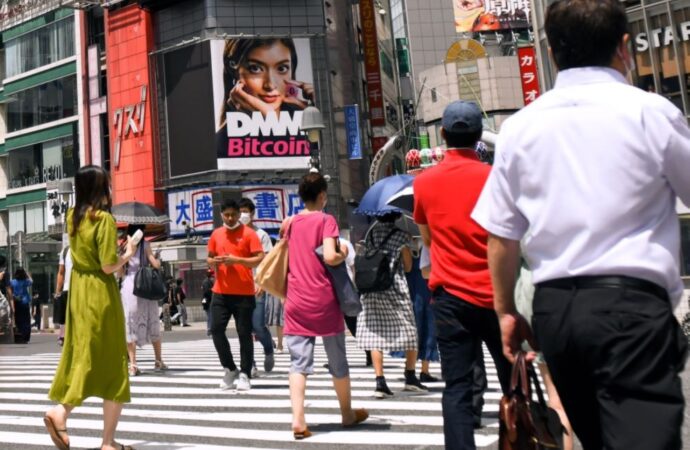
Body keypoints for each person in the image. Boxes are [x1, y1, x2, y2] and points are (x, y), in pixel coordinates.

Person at [471, 1, 690, 448]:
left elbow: (501, 234)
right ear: (625, 47)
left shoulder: (521, 127)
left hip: (558, 312)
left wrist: (506, 311)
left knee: (595, 436)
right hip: (631, 306)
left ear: (551, 52)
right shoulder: (651, 112)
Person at [413, 100, 512, 449]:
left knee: (457, 387)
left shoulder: (424, 183)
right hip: (499, 296)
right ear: (478, 137)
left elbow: (427, 239)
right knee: (514, 380)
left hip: (451, 298)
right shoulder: (496, 178)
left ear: (442, 134)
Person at [45, 164, 139, 450]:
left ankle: (65, 413)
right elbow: (108, 265)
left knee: (85, 355)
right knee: (113, 363)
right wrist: (129, 253)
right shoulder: (104, 220)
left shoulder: (74, 216)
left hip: (79, 291)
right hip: (100, 292)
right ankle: (104, 440)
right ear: (102, 188)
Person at [282, 172, 368, 439]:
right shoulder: (326, 220)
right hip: (324, 300)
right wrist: (343, 251)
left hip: (296, 300)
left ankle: (298, 420)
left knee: (299, 363)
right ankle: (346, 414)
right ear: (321, 195)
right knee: (337, 360)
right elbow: (330, 256)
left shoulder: (290, 223)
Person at [356, 212, 427, 398]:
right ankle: (410, 377)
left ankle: (380, 382)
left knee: (374, 334)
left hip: (371, 289)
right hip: (394, 288)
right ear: (396, 216)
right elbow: (409, 266)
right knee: (411, 332)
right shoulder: (401, 235)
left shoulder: (370, 234)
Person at [216, 38, 315, 157]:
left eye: (282, 68)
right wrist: (269, 121)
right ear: (234, 72)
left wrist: (324, 112)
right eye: (255, 68)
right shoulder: (222, 145)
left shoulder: (309, 122)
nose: (270, 85)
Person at [207, 199, 265, 392]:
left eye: (233, 214)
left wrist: (236, 260)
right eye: (226, 215)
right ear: (221, 215)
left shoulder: (249, 234)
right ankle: (230, 368)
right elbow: (208, 256)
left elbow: (259, 259)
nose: (230, 218)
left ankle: (245, 373)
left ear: (239, 215)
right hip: (220, 292)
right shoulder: (216, 234)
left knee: (244, 334)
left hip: (243, 293)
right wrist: (212, 261)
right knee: (215, 329)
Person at [120, 224, 167, 376]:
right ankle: (158, 361)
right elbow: (155, 265)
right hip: (145, 284)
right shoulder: (146, 245)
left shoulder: (123, 246)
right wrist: (157, 258)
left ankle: (133, 364)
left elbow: (120, 272)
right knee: (152, 320)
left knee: (130, 322)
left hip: (129, 285)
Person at [239, 197, 275, 375]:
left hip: (257, 286)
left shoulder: (261, 235)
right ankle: (250, 363)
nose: (244, 215)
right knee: (244, 327)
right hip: (239, 288)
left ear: (253, 214)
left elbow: (268, 262)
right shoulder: (235, 236)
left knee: (258, 326)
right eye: (241, 212)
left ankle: (269, 350)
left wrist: (263, 282)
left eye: (247, 212)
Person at [408, 240, 440, 382]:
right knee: (424, 327)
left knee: (423, 327)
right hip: (422, 287)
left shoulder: (421, 242)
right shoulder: (428, 242)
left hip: (419, 287)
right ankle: (419, 369)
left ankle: (420, 369)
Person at [54, 245, 73, 347]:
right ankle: (63, 335)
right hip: (67, 289)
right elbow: (61, 272)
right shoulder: (65, 251)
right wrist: (58, 291)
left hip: (83, 288)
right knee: (65, 315)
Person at [10, 267, 32, 344]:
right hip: (25, 302)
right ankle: (26, 337)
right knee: (26, 320)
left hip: (16, 302)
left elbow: (9, 291)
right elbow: (31, 281)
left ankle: (20, 336)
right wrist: (28, 274)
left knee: (18, 320)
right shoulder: (26, 281)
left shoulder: (12, 282)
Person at [201, 270, 214, 336]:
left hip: (206, 300)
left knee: (210, 315)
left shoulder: (207, 281)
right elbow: (207, 292)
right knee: (210, 315)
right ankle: (209, 329)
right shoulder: (207, 282)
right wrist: (213, 290)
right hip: (207, 301)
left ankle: (210, 328)